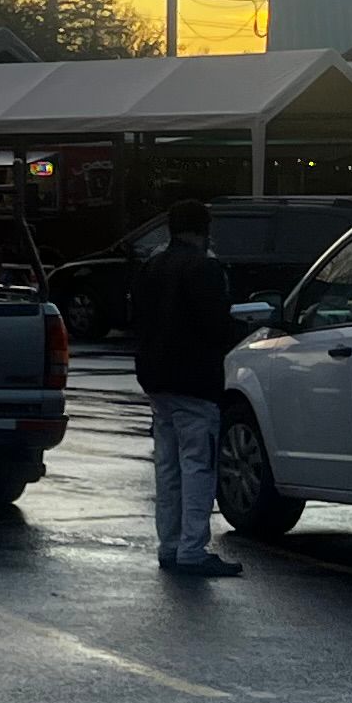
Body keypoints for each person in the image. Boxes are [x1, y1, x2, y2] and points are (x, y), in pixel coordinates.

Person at [126, 200, 244, 578]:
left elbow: (136, 319)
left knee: (168, 468)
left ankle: (170, 544)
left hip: (157, 380)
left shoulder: (152, 266)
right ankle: (193, 549)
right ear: (203, 229)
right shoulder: (203, 268)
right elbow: (216, 324)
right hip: (195, 382)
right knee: (198, 466)